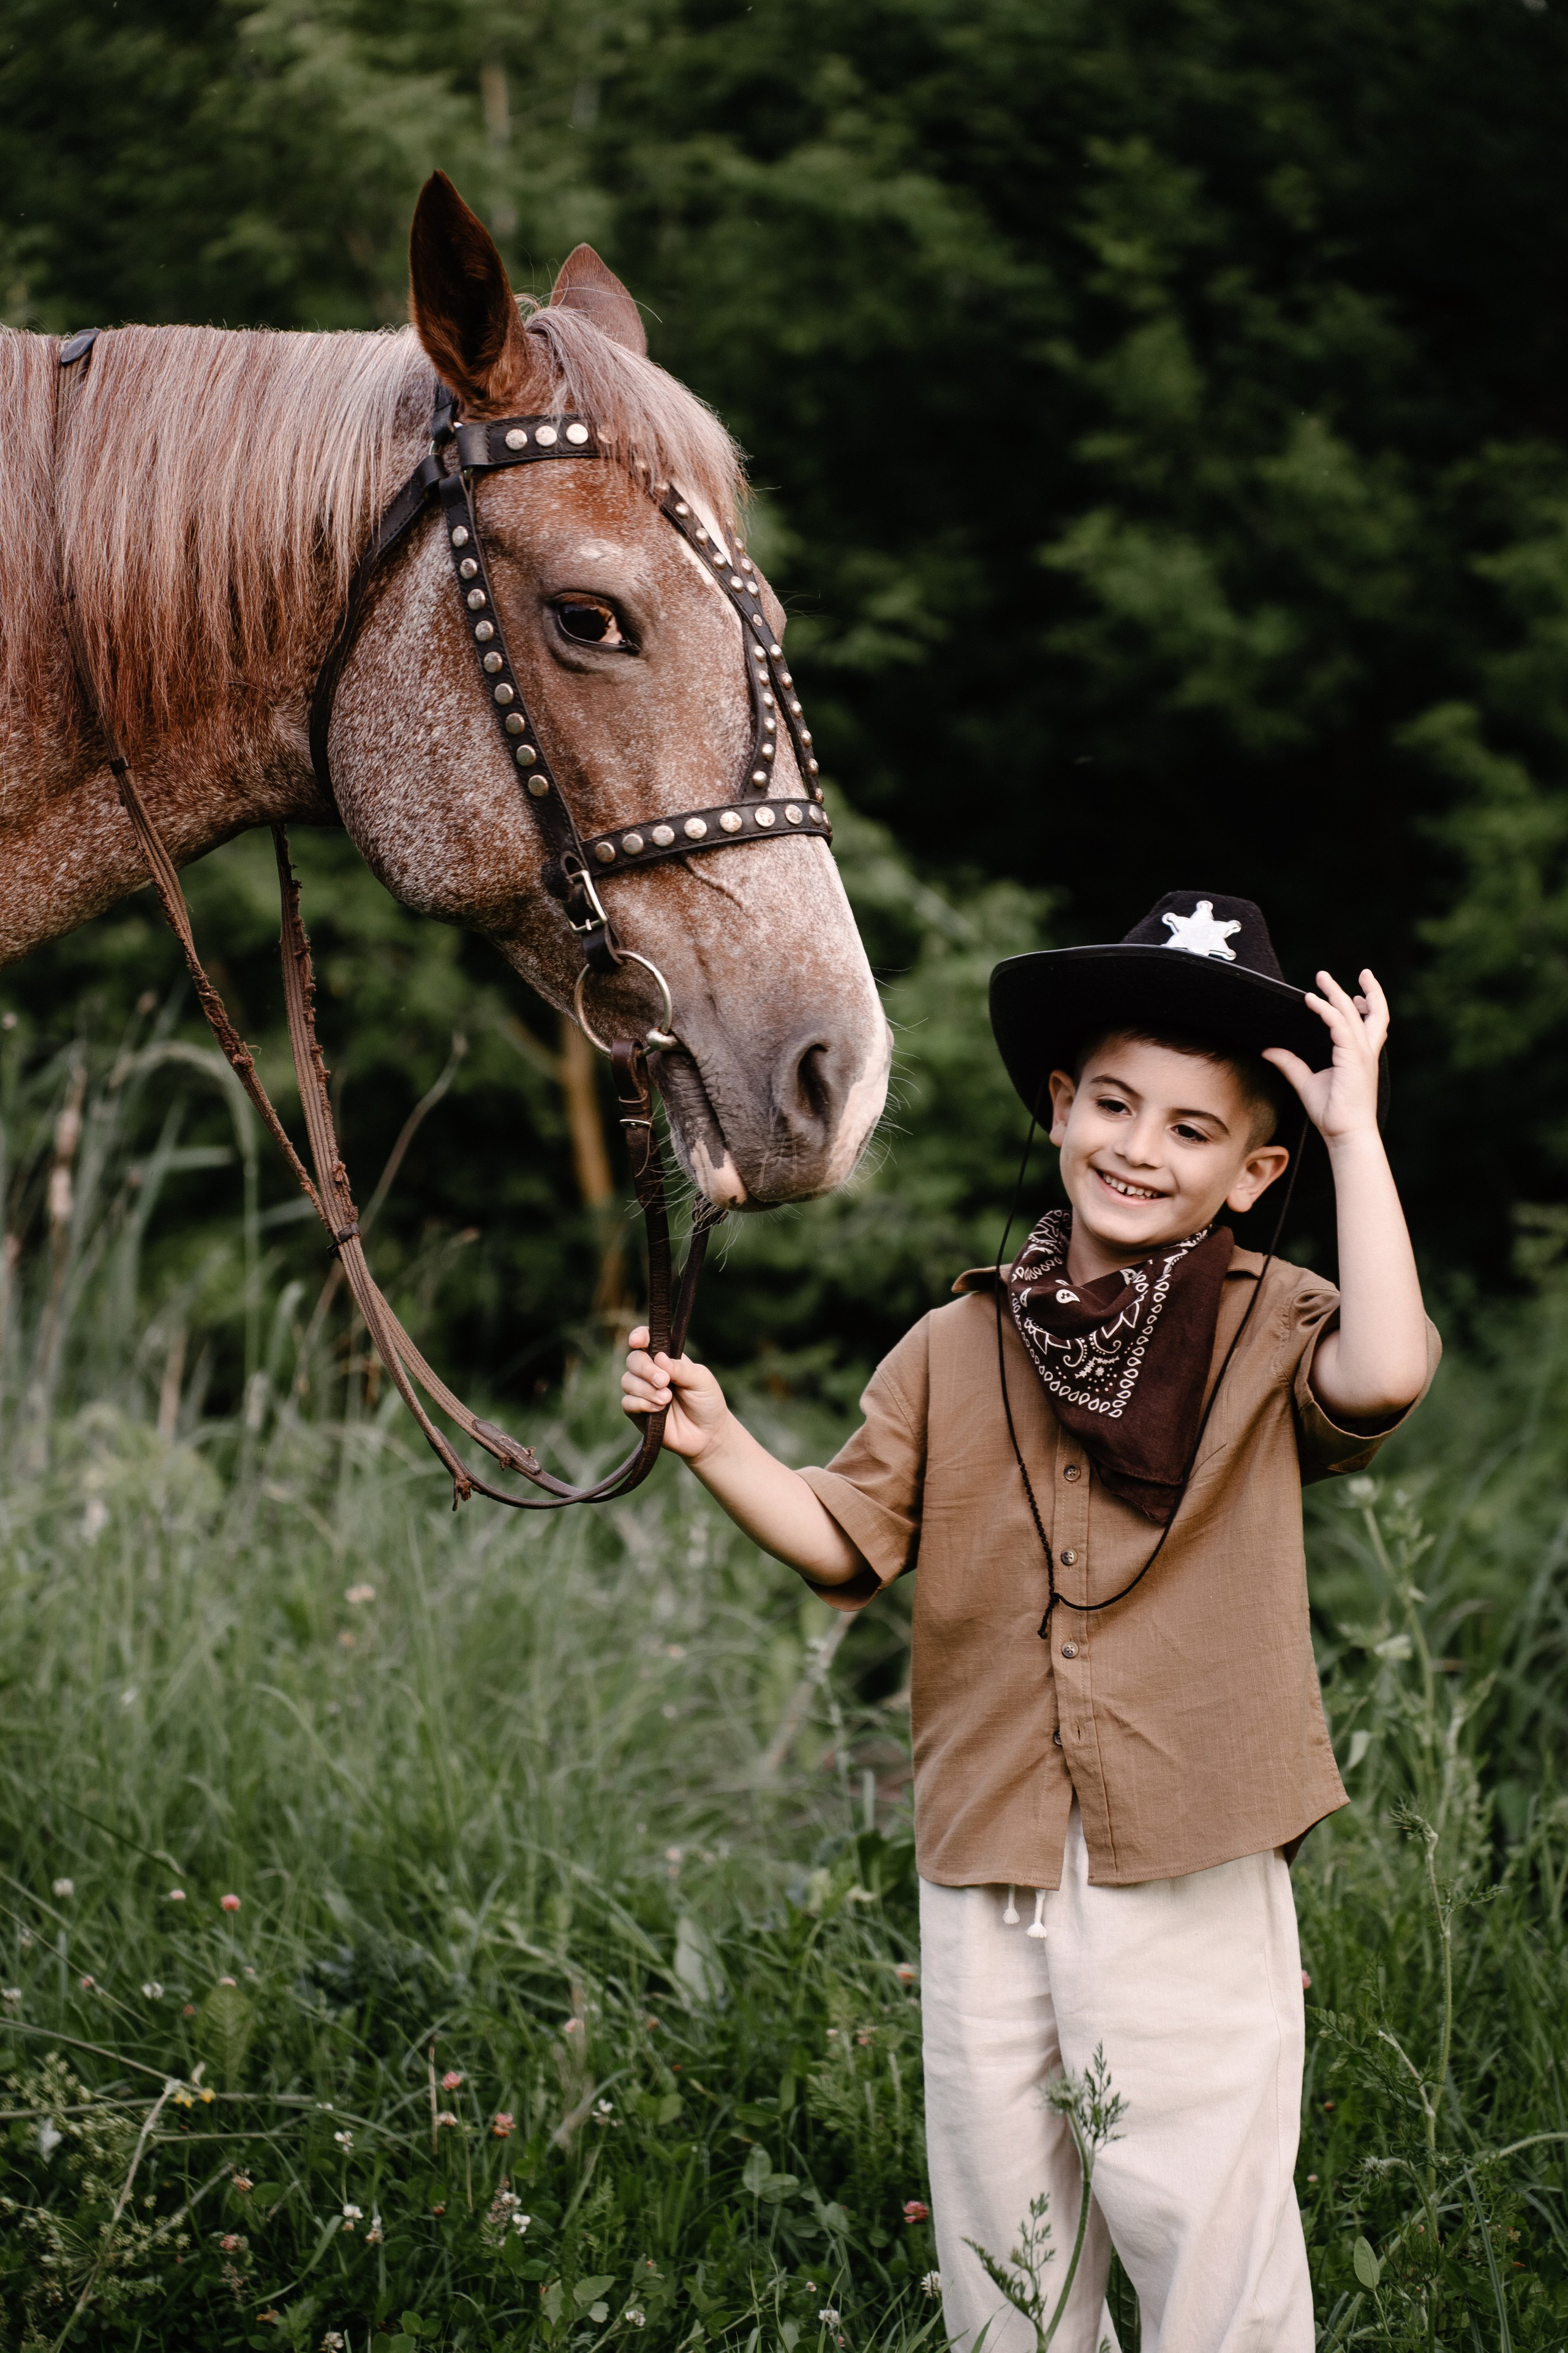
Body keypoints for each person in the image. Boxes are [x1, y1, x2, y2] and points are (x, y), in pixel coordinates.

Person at [622, 891, 1438, 2353]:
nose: (1138, 1145)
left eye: (1191, 1131)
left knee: (1198, 2198)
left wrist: (1352, 1132)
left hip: (1185, 1828)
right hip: (988, 1831)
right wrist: (720, 1441)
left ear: (1252, 1171)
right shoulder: (955, 1341)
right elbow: (842, 1539)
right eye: (1112, 1104)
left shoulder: (1272, 1320)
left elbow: (1382, 1375)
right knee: (1007, 2219)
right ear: (1058, 1108)